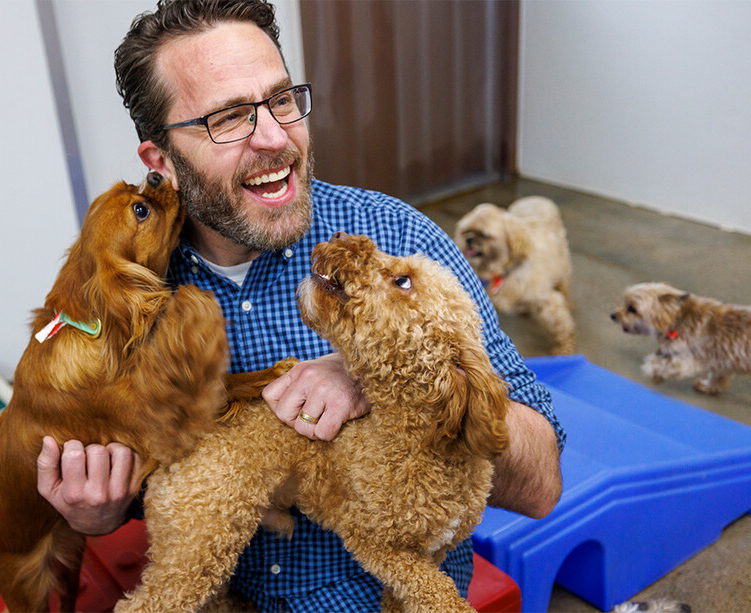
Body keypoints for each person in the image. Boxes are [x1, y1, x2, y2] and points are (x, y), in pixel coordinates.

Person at [36, 0, 565, 609]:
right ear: (162, 163)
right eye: (228, 118)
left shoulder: (401, 248)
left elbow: (541, 483)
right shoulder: (124, 294)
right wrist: (99, 511)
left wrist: (393, 381)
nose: (274, 137)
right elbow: (120, 474)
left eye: (281, 100)